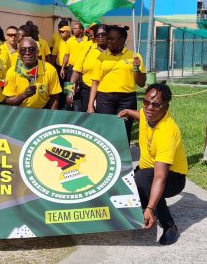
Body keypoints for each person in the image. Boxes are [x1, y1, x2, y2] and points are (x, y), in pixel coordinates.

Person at [118, 84, 187, 245]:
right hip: (147, 173)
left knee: (143, 178)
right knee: (125, 181)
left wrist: (150, 208)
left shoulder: (167, 131)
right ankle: (144, 206)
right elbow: (140, 114)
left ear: (166, 107)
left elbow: (160, 176)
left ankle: (170, 226)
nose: (149, 107)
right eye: (146, 102)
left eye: (155, 104)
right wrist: (128, 112)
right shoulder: (147, 114)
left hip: (172, 179)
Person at [88, 25, 146, 142]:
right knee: (105, 131)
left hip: (127, 100)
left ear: (122, 40)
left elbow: (141, 83)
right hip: (104, 99)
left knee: (124, 131)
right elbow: (95, 83)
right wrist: (90, 106)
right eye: (107, 38)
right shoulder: (101, 57)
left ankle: (122, 158)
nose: (108, 41)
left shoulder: (135, 57)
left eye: (112, 39)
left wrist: (136, 68)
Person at [4, 37, 61, 109]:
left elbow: (54, 98)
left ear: (37, 52)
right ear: (19, 53)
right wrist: (24, 95)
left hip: (42, 110)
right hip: (19, 111)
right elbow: (8, 100)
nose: (27, 53)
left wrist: (51, 117)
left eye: (31, 49)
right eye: (23, 50)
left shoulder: (50, 69)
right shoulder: (12, 72)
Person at [67, 24, 108, 112]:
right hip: (86, 90)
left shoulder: (113, 51)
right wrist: (69, 91)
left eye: (103, 34)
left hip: (106, 93)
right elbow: (76, 70)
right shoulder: (87, 49)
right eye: (97, 34)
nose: (100, 37)